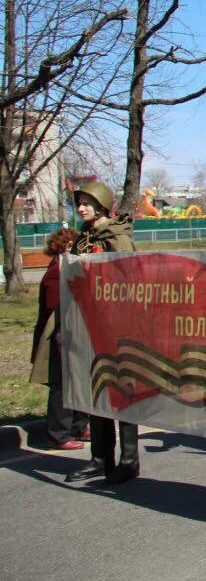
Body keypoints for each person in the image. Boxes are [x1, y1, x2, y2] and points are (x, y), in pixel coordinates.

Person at [64, 182, 140, 485]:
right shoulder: (82, 237)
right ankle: (100, 458)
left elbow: (129, 275)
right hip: (88, 322)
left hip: (118, 324)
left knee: (122, 391)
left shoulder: (117, 235)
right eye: (79, 202)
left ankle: (129, 460)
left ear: (101, 204)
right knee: (95, 390)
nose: (81, 208)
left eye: (87, 202)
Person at [30, 228, 87, 450]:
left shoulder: (70, 269)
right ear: (62, 247)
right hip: (58, 337)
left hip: (75, 334)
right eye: (72, 245)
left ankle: (79, 426)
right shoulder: (56, 271)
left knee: (79, 381)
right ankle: (59, 435)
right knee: (62, 384)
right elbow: (55, 308)